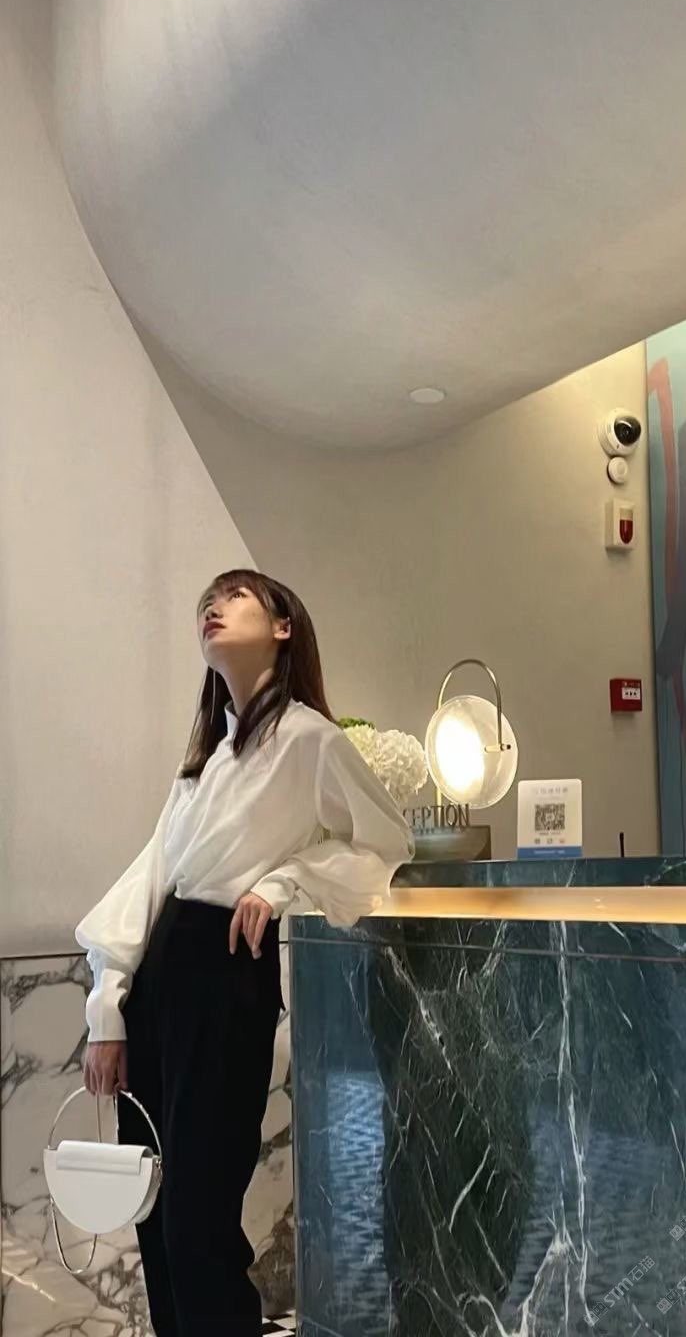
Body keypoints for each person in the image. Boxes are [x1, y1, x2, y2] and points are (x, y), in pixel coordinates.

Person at [75, 568, 414, 1337]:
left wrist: (282, 880)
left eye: (232, 598)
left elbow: (384, 842)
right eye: (206, 603)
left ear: (283, 626)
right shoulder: (206, 760)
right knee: (154, 1204)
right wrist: (108, 1009)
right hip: (161, 973)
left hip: (227, 967)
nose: (212, 609)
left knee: (198, 1215)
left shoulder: (311, 740)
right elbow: (151, 877)